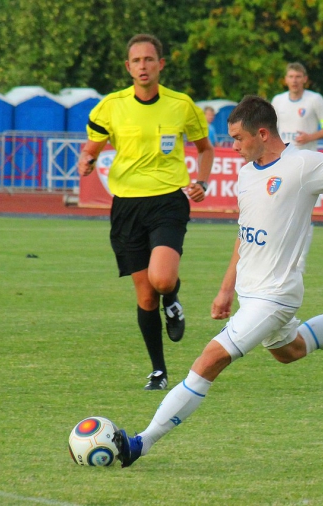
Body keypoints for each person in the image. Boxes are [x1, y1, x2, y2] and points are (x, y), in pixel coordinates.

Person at [113, 95, 323, 467]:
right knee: (292, 350)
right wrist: (227, 288)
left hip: (275, 297)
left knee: (209, 360)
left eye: (238, 138)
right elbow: (246, 234)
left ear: (262, 133)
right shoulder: (245, 174)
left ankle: (141, 443)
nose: (233, 146)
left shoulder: (303, 164)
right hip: (250, 293)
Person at [78, 34, 214, 390]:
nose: (143, 66)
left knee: (164, 280)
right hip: (125, 205)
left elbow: (205, 149)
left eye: (149, 59)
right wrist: (87, 159)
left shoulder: (181, 105)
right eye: (136, 61)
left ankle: (174, 299)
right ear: (128, 67)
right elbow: (91, 145)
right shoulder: (110, 105)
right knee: (145, 296)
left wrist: (202, 180)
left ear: (160, 65)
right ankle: (159, 370)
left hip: (168, 199)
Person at [271, 62, 323, 273]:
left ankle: (299, 262)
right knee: (279, 210)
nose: (295, 80)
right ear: (286, 79)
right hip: (282, 162)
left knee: (304, 213)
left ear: (305, 79)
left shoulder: (315, 100)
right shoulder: (278, 101)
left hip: (306, 164)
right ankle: (279, 257)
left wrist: (310, 136)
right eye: (291, 76)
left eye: (298, 76)